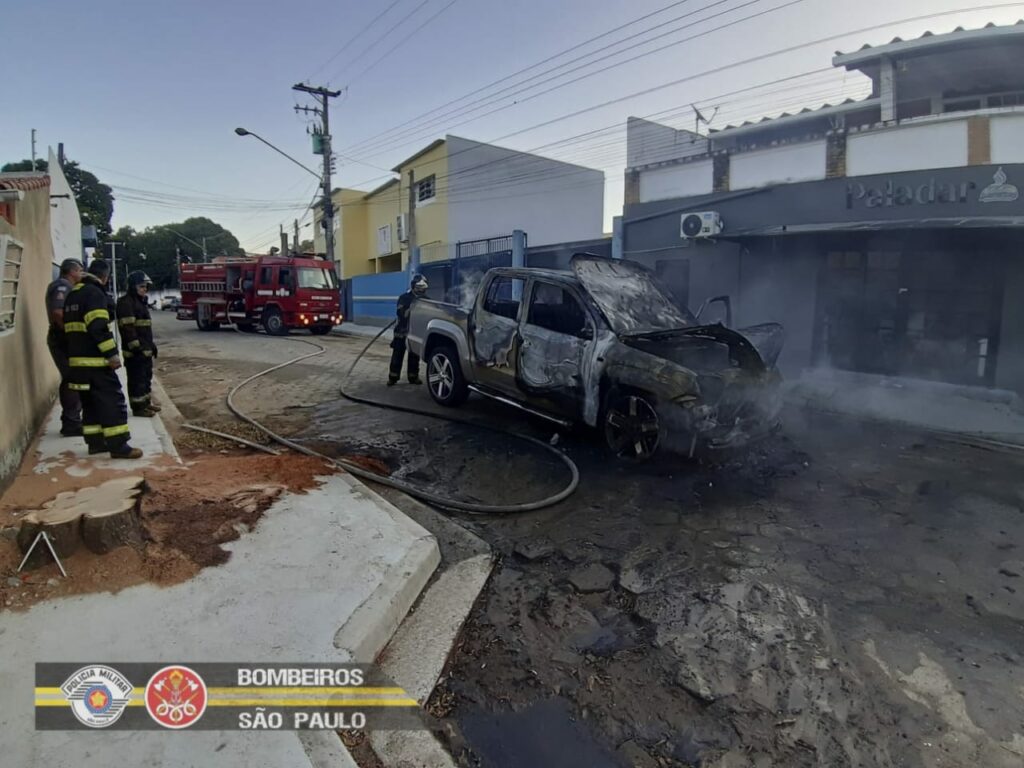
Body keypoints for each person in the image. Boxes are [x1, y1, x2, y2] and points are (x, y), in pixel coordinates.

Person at [63, 259, 142, 459]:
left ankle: (95, 443)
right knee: (112, 402)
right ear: (105, 277)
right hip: (95, 362)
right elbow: (98, 326)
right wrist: (112, 355)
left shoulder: (73, 294)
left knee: (90, 404)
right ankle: (119, 446)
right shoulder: (94, 293)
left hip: (78, 363)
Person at [45, 258, 85, 436]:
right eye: (80, 271)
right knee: (71, 379)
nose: (82, 274)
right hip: (61, 340)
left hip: (63, 339)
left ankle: (72, 420)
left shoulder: (69, 287)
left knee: (73, 378)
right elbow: (57, 313)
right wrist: (71, 334)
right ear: (72, 271)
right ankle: (71, 423)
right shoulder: (62, 286)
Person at [116, 271, 160, 417]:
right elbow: (128, 329)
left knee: (146, 378)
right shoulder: (126, 303)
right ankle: (138, 408)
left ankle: (146, 403)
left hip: (144, 350)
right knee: (137, 380)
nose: (145, 289)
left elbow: (145, 330)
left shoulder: (141, 303)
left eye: (146, 287)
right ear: (133, 287)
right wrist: (137, 348)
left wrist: (151, 345)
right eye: (142, 286)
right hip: (135, 353)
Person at [388, 274, 428, 386]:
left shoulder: (426, 300)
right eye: (419, 287)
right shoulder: (404, 298)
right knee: (397, 355)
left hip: (415, 332)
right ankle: (393, 377)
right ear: (413, 286)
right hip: (401, 331)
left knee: (414, 356)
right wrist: (411, 309)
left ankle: (413, 377)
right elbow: (400, 312)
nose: (421, 290)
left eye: (423, 288)